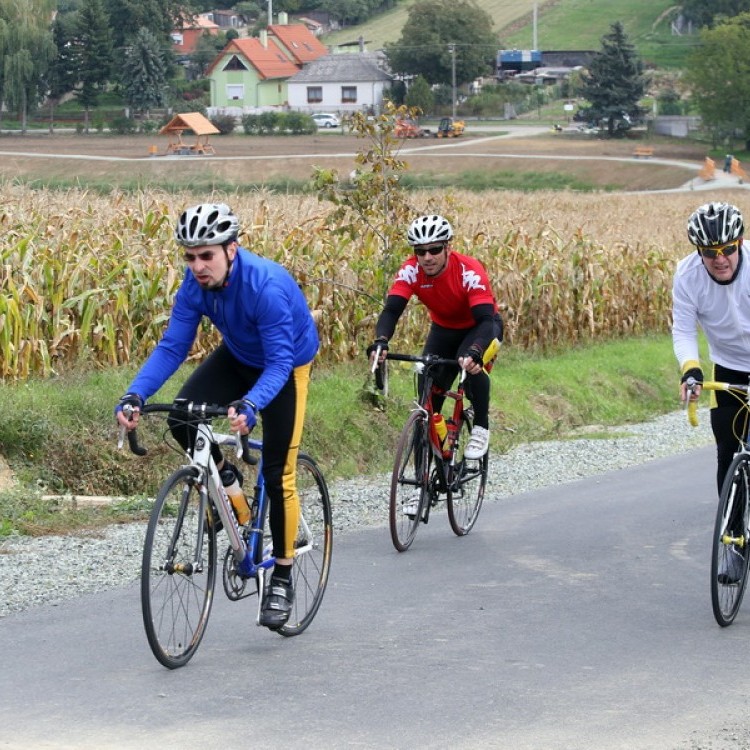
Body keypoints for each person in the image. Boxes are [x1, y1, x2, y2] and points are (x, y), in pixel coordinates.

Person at [115, 202, 319, 629]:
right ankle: (229, 487)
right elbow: (173, 347)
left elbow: (280, 365)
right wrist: (135, 393)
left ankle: (281, 575)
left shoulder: (265, 286)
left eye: (206, 255)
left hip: (287, 364)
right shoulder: (194, 287)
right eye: (189, 257)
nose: (197, 266)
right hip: (240, 355)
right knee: (182, 417)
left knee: (280, 471)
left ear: (232, 248)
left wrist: (251, 404)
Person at [368, 214, 503, 460]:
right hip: (444, 330)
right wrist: (381, 341)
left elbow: (485, 320)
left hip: (481, 326)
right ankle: (424, 482)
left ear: (448, 247)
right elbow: (391, 311)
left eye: (434, 249)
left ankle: (481, 427)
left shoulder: (468, 270)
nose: (427, 257)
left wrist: (475, 352)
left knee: (470, 365)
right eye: (420, 251)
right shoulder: (411, 271)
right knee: (427, 401)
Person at [672, 201, 750, 583]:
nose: (720, 260)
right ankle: (733, 544)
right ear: (698, 252)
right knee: (728, 453)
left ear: (739, 243)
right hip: (730, 368)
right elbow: (683, 330)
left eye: (727, 250)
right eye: (709, 252)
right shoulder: (687, 276)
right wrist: (691, 371)